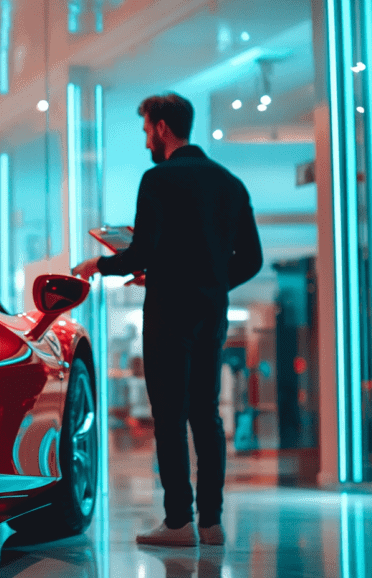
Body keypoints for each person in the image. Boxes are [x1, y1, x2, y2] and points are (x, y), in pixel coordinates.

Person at [72, 93, 263, 547]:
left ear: (161, 128)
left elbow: (141, 252)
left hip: (168, 311)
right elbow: (251, 259)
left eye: (145, 132)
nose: (145, 143)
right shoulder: (230, 184)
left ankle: (178, 521)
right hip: (209, 312)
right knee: (207, 414)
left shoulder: (157, 179)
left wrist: (95, 266)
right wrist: (211, 284)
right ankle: (212, 523)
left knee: (170, 415)